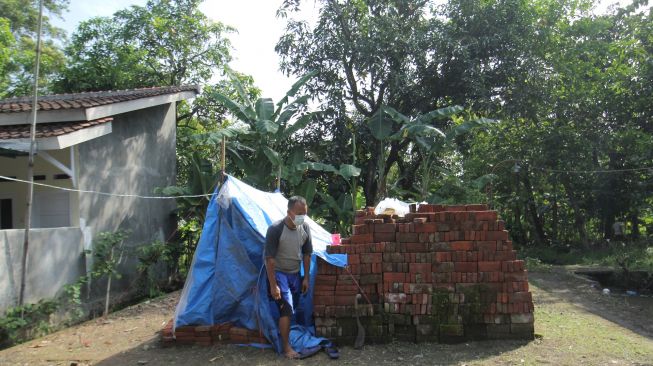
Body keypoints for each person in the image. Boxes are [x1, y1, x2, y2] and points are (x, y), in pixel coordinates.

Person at [265, 196, 313, 359]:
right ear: (289, 212)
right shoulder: (275, 229)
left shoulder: (305, 228)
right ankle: (286, 348)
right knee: (286, 308)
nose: (302, 217)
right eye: (299, 213)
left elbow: (307, 254)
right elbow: (269, 259)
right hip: (279, 273)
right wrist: (273, 285)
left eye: (304, 213)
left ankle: (289, 339)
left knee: (294, 308)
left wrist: (306, 277)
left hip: (295, 274)